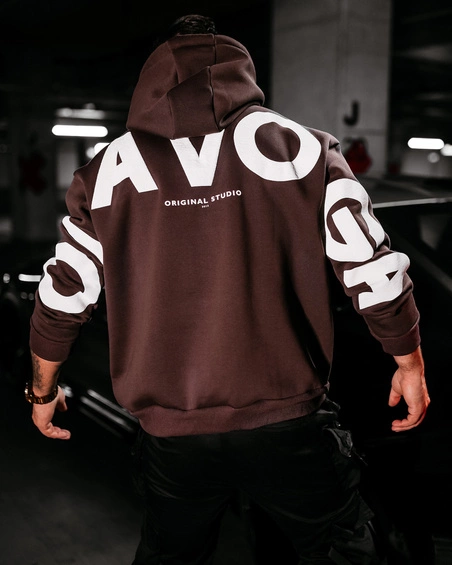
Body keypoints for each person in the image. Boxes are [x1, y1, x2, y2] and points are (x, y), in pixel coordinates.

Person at [27, 14, 430, 565]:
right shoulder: (303, 148)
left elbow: (64, 293)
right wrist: (408, 358)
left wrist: (43, 390)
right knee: (347, 551)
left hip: (174, 436)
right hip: (289, 423)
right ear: (239, 68)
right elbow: (368, 264)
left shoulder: (105, 172)